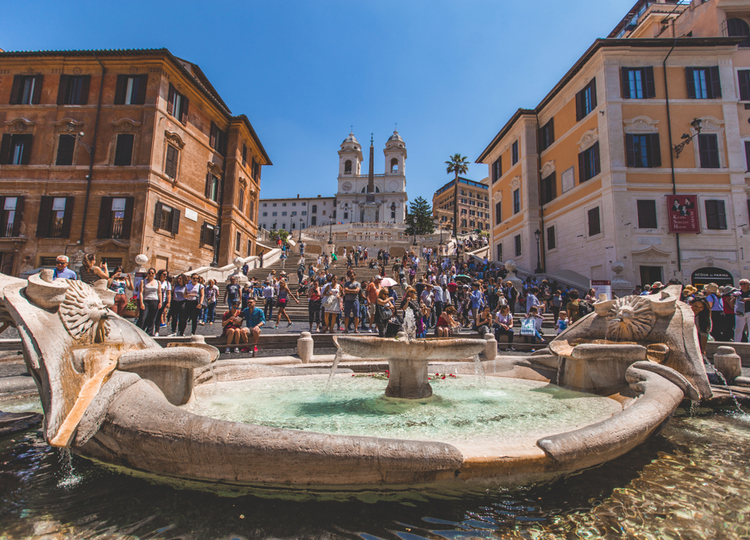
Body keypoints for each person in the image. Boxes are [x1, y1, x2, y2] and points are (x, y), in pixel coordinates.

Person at [138, 268, 162, 336]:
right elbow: (141, 292)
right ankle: (140, 331)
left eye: (152, 273)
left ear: (155, 274)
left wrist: (160, 302)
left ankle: (149, 333)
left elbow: (159, 292)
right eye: (149, 273)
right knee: (143, 317)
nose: (150, 274)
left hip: (155, 300)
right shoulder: (143, 281)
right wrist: (141, 302)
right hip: (146, 300)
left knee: (152, 318)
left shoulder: (158, 282)